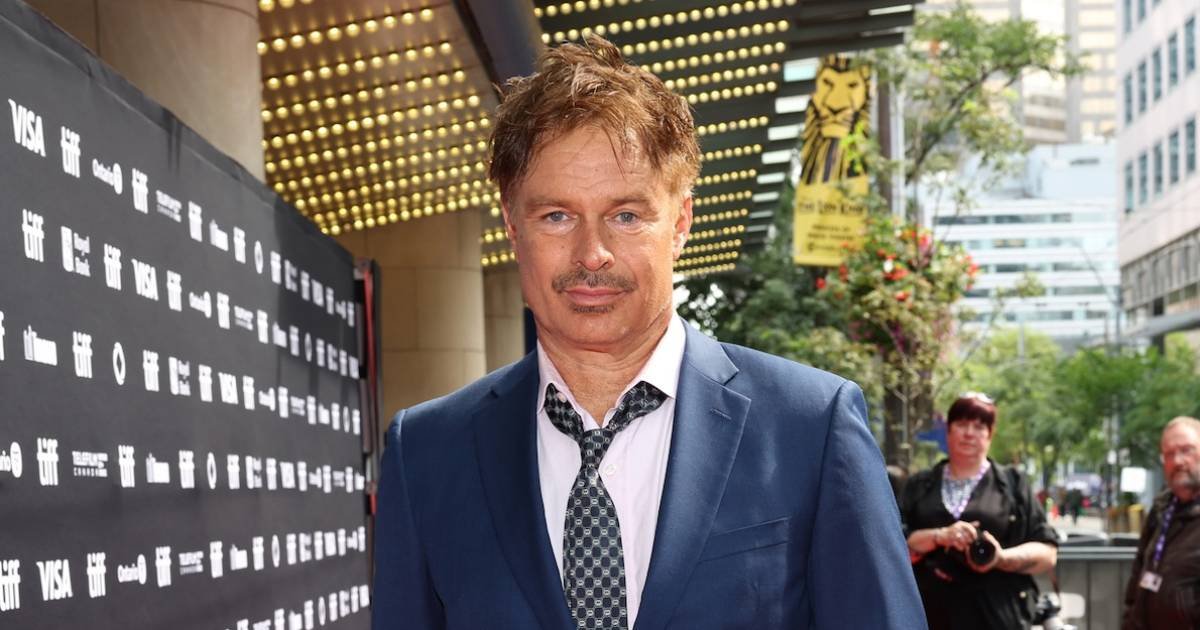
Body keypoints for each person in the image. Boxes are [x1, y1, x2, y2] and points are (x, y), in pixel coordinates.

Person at [370, 36, 926, 630]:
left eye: (626, 215)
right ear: (512, 226)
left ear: (681, 222)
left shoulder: (811, 427)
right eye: (556, 215)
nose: (593, 253)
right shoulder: (426, 452)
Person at [899, 393, 1059, 630]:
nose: (969, 433)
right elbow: (895, 546)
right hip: (927, 615)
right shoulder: (919, 485)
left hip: (998, 615)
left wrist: (1000, 558)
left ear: (990, 434)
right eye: (962, 424)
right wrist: (940, 536)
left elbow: (1047, 554)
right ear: (948, 430)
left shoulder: (1013, 484)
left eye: (979, 426)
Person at [1122, 416, 1200, 629]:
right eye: (1169, 454)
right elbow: (1136, 582)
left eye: (1186, 450)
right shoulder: (1161, 508)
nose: (1178, 461)